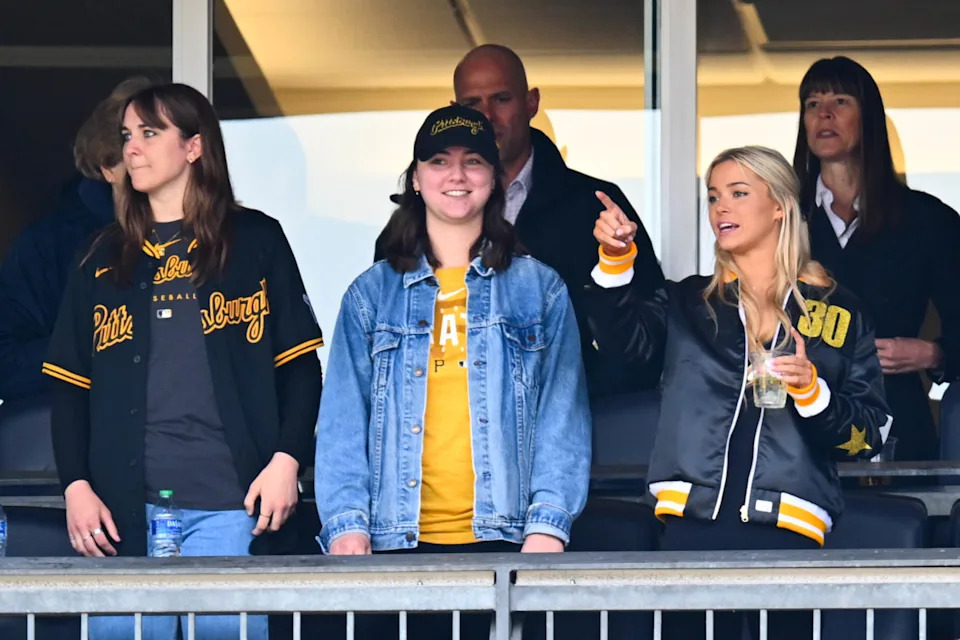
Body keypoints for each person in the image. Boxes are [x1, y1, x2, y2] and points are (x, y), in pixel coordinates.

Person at [44, 83, 323, 640]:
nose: (132, 149)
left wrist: (288, 460)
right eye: (127, 136)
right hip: (123, 516)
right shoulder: (100, 257)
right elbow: (70, 388)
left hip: (230, 506)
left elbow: (299, 368)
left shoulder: (255, 240)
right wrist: (76, 486)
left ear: (194, 147)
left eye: (150, 134)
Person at [589, 146, 890, 639]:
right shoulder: (687, 302)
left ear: (779, 206)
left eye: (738, 193)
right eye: (713, 197)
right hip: (688, 528)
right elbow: (625, 353)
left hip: (791, 535)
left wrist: (813, 392)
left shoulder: (839, 314)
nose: (720, 207)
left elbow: (870, 433)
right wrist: (617, 260)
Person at [316, 105, 590, 639]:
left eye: (473, 161)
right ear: (416, 180)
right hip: (395, 545)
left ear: (496, 178)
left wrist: (548, 529)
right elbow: (342, 424)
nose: (457, 176)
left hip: (506, 547)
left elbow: (563, 417)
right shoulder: (370, 295)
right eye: (439, 161)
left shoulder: (540, 288)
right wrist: (347, 527)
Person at [378, 44, 664, 398]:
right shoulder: (412, 223)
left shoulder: (594, 205)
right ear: (456, 112)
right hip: (448, 428)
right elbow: (383, 349)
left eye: (501, 99)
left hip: (574, 421)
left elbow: (645, 350)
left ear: (531, 103)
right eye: (472, 104)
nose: (487, 116)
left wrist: (615, 266)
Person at [793, 56, 960, 461]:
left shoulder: (927, 218)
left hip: (897, 416)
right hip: (795, 423)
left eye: (841, 100)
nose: (824, 113)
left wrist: (935, 354)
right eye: (812, 104)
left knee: (899, 522)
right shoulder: (782, 215)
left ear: (869, 117)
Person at [0, 76, 153, 404]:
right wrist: (101, 345)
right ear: (107, 167)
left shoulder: (210, 237)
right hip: (81, 440)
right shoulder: (48, 247)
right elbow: (7, 365)